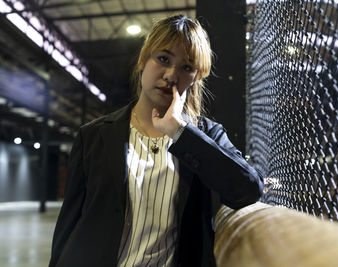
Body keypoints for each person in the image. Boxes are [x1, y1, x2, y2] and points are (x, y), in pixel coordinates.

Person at [49, 15, 263, 267]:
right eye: (163, 59)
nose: (171, 75)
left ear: (196, 77)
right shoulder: (94, 136)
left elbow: (247, 190)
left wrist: (179, 131)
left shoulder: (205, 135)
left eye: (186, 67)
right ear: (143, 60)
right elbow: (69, 223)